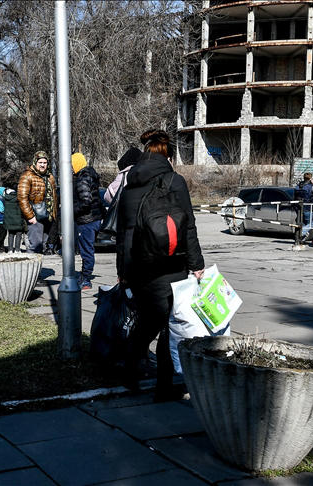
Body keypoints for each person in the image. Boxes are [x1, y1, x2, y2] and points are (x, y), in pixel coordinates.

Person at [115, 129, 204, 402]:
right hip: (170, 266)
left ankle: (130, 373)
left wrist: (124, 273)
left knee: (146, 323)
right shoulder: (175, 181)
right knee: (169, 326)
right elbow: (187, 224)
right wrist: (196, 264)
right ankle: (164, 387)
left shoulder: (129, 185)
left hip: (139, 268)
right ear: (168, 154)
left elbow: (123, 234)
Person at [71, 152, 104, 290]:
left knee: (86, 250)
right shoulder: (91, 176)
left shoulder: (82, 178)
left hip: (86, 220)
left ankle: (85, 279)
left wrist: (71, 211)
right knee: (88, 249)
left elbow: (86, 201)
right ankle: (85, 276)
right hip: (94, 218)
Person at [17, 151, 57, 254]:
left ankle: (39, 269)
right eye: (40, 162)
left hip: (48, 218)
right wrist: (30, 216)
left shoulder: (50, 177)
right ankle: (30, 269)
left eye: (45, 162)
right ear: (35, 162)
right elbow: (22, 197)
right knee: (35, 246)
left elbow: (54, 196)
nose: (43, 165)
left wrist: (54, 215)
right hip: (35, 217)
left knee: (43, 246)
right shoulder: (27, 175)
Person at [297, 172, 313, 240]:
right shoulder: (311, 187)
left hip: (299, 207)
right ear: (310, 178)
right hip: (309, 208)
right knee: (310, 224)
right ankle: (300, 234)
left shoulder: (298, 186)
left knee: (305, 224)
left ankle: (301, 240)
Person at [1, 185, 26, 252]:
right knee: (19, 234)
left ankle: (10, 250)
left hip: (9, 219)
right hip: (18, 219)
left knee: (11, 235)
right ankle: (17, 250)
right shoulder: (19, 197)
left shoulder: (5, 198)